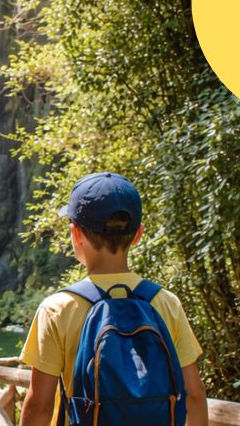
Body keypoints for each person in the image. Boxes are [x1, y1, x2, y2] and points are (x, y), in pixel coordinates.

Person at [19, 172, 209, 426]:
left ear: (75, 234)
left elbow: (39, 406)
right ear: (138, 234)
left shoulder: (57, 309)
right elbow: (194, 395)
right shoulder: (165, 303)